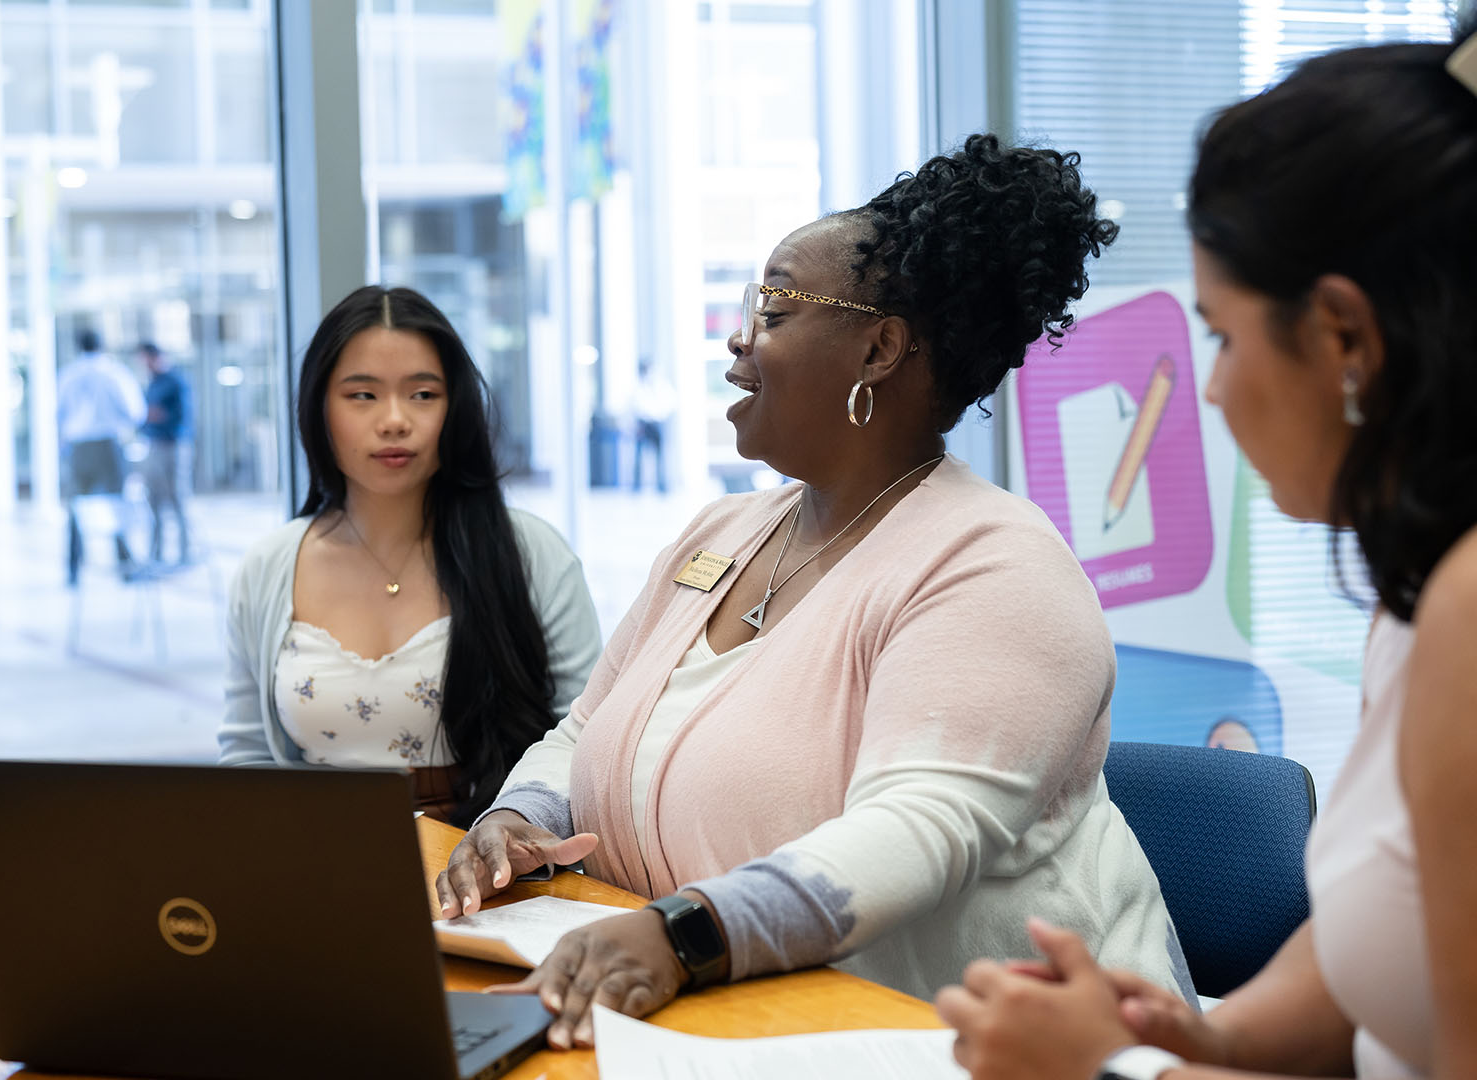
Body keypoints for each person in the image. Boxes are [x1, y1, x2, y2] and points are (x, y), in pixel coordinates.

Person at [434, 134, 1187, 1050]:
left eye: (776, 308)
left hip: (995, 1049)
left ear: (880, 348)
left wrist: (684, 934)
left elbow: (911, 836)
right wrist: (517, 819)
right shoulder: (721, 533)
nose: (738, 337)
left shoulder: (996, 567)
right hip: (731, 1020)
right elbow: (589, 729)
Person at [938, 29, 1477, 1080]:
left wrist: (1115, 1070)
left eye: (1224, 337)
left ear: (1346, 339)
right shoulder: (1418, 596)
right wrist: (1208, 1034)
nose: (1214, 389)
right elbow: (1398, 926)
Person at [219, 285, 602, 825]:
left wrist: (520, 829)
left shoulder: (530, 553)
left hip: (491, 860)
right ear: (319, 407)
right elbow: (247, 755)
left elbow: (586, 731)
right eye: (362, 395)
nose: (394, 420)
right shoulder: (269, 567)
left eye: (423, 394)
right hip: (315, 858)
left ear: (456, 407)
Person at [57, 329, 144, 585]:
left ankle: (73, 569)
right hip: (109, 443)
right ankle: (125, 564)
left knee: (76, 507)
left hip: (78, 447)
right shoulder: (114, 373)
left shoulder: (69, 375)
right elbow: (135, 411)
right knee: (117, 503)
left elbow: (58, 413)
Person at [136, 342, 191, 565]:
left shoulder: (176, 381)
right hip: (154, 445)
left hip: (174, 446)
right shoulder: (153, 384)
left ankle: (184, 553)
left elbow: (181, 417)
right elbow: (144, 416)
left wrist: (156, 415)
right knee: (153, 501)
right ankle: (156, 554)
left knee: (178, 499)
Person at [630, 358, 674, 493]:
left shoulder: (661, 385)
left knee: (661, 456)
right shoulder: (637, 386)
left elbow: (670, 402)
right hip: (643, 424)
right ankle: (637, 486)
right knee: (639, 456)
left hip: (658, 423)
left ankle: (662, 485)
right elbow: (634, 406)